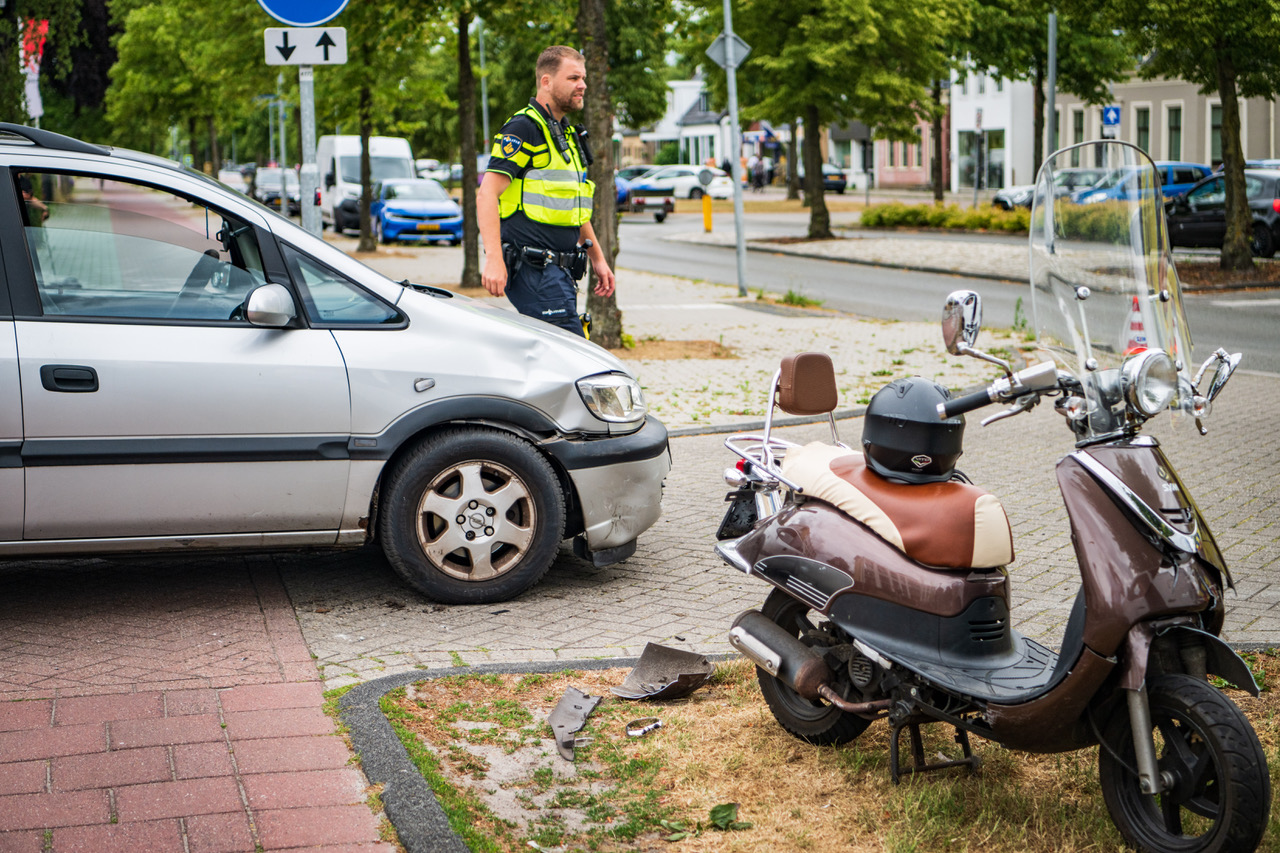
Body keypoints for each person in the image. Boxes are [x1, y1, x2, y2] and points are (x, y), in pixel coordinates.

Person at [477, 45, 614, 336]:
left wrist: (598, 259)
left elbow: (572, 210)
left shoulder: (566, 134)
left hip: (559, 271)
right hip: (534, 268)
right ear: (546, 81)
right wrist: (493, 260)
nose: (583, 85)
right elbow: (487, 194)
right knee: (574, 357)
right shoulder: (524, 129)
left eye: (584, 78)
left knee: (556, 358)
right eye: (574, 78)